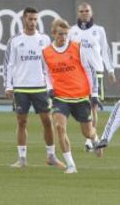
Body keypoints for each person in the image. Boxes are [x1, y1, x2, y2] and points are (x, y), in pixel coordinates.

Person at [3, 7, 65, 169]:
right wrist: (8, 86)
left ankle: (51, 156)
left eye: (35, 19)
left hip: (40, 87)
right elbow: (9, 65)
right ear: (24, 19)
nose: (33, 22)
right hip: (21, 88)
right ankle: (22, 158)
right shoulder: (15, 40)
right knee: (22, 122)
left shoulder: (44, 39)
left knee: (47, 121)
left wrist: (52, 85)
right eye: (30, 19)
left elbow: (49, 65)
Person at [42, 18, 99, 174]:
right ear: (53, 33)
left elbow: (90, 70)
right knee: (59, 127)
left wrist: (94, 93)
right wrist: (49, 87)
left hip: (80, 96)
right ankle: (71, 165)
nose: (63, 37)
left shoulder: (77, 48)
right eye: (60, 34)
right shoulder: (46, 52)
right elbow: (46, 73)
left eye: (66, 34)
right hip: (60, 97)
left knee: (87, 132)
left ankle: (94, 138)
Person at [69, 2, 116, 152]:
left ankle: (90, 140)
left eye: (87, 11)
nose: (84, 13)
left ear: (91, 12)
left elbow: (105, 50)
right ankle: (91, 136)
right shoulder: (72, 31)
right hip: (79, 74)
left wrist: (111, 70)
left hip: (96, 72)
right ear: (78, 13)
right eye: (82, 11)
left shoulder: (99, 30)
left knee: (93, 106)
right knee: (84, 106)